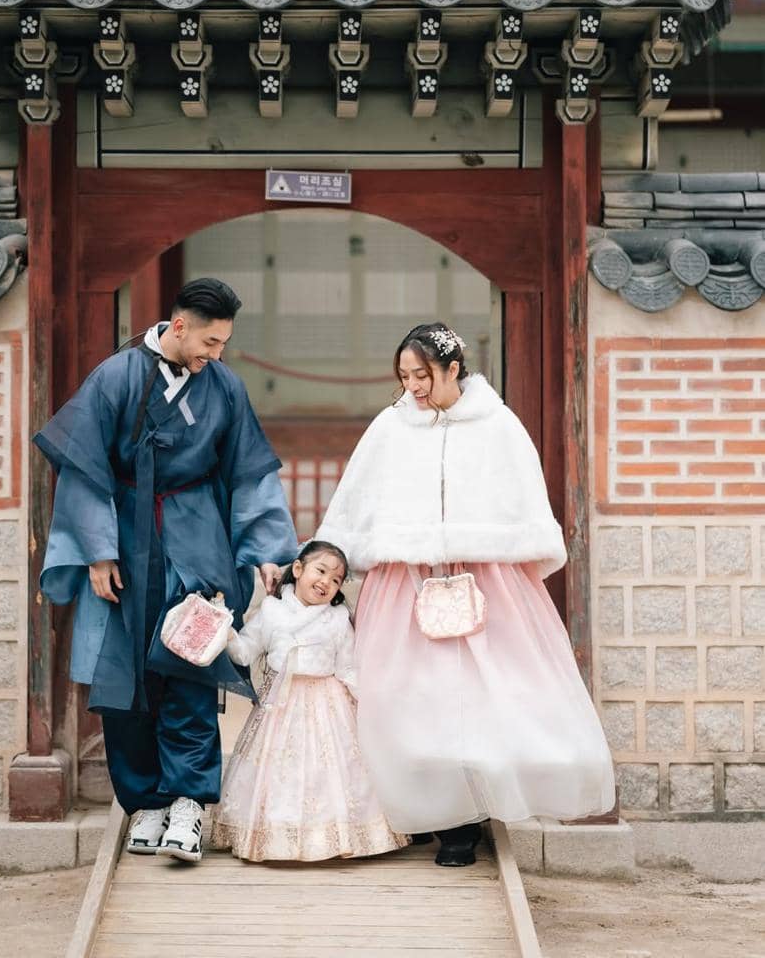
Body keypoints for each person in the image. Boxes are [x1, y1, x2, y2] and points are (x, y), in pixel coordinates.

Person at [316, 322, 616, 867]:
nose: (412, 387)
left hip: (485, 583)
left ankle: (466, 821)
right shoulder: (389, 428)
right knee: (406, 697)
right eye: (404, 377)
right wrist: (334, 560)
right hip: (402, 583)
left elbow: (523, 500)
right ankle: (420, 810)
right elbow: (358, 498)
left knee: (479, 698)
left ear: (454, 368)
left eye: (422, 375)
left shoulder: (498, 426)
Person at [35, 278, 298, 863]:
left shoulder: (224, 386)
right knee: (123, 671)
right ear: (178, 326)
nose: (216, 354)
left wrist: (266, 548)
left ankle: (188, 803)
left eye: (224, 344)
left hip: (194, 535)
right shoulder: (117, 376)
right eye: (210, 341)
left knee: (191, 665)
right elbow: (83, 467)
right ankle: (144, 803)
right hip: (126, 534)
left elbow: (250, 469)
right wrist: (97, 550)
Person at [210, 540, 407, 863]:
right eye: (321, 571)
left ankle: (335, 835)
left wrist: (372, 704)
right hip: (279, 706)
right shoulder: (271, 612)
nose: (326, 582)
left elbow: (347, 668)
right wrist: (225, 630)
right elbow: (244, 651)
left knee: (331, 771)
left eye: (336, 579)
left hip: (328, 704)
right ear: (298, 570)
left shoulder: (338, 619)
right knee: (279, 772)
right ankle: (276, 836)